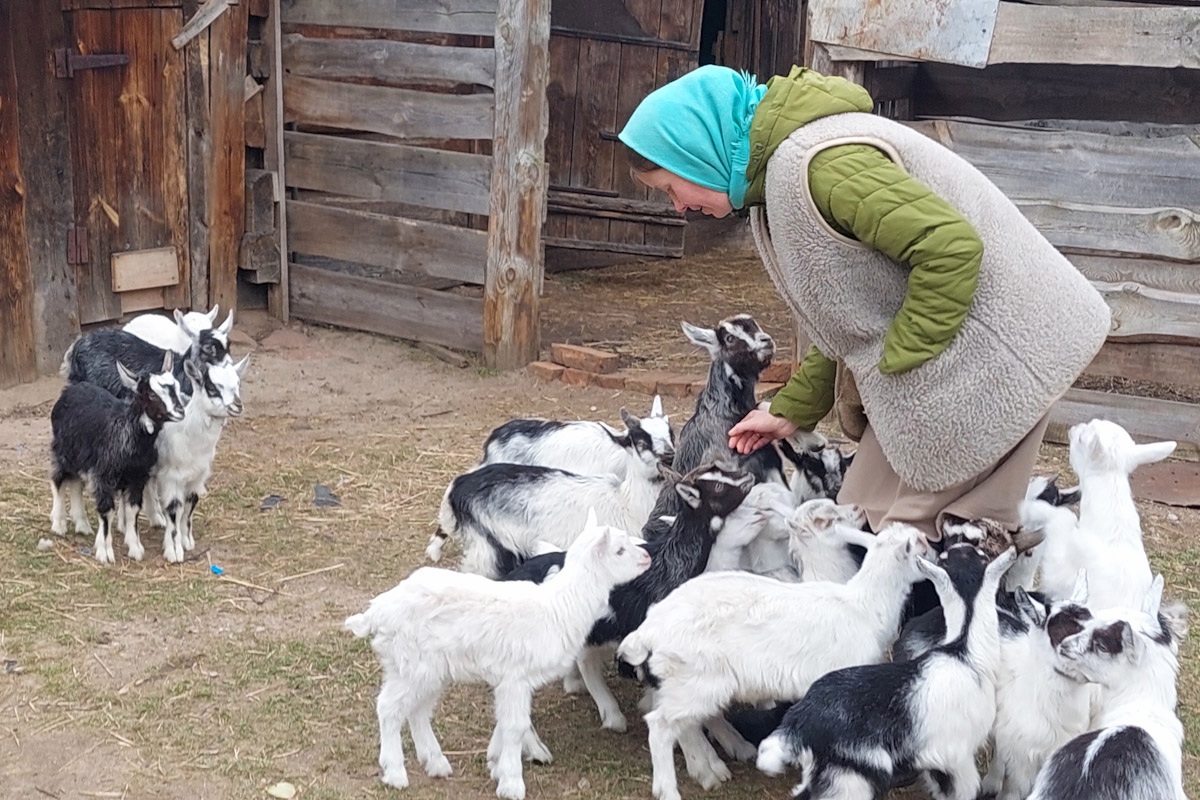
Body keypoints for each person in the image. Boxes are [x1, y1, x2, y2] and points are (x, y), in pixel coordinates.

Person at [618, 64, 1111, 542]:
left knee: (921, 540)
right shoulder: (776, 186)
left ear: (695, 153)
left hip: (999, 351)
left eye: (670, 187)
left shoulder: (819, 166)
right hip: (947, 359)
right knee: (853, 521)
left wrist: (898, 365)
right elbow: (848, 324)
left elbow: (949, 248)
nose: (677, 207)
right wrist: (792, 409)